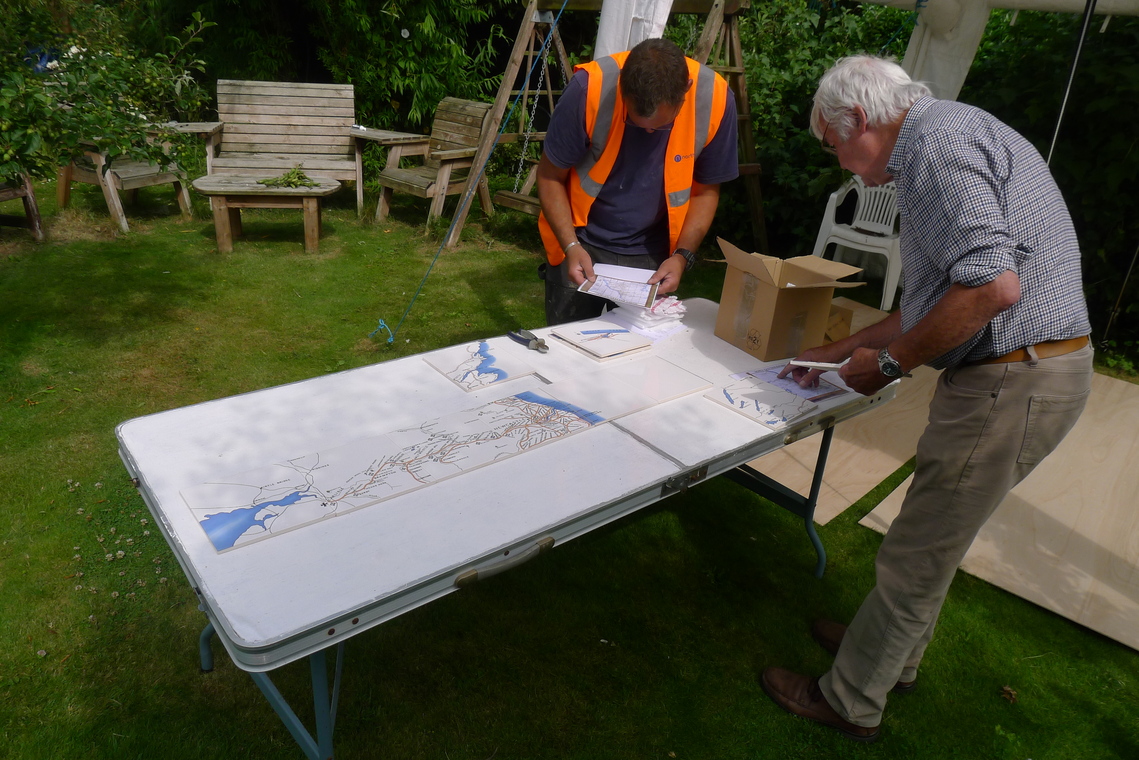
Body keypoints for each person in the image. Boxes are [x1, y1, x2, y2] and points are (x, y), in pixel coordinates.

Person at [762, 55, 1093, 742]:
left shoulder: (934, 148)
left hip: (1013, 379)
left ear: (859, 119)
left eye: (834, 147)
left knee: (916, 551)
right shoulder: (948, 134)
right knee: (932, 535)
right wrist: (831, 351)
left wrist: (885, 365)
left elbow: (990, 289)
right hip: (1025, 373)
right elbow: (941, 299)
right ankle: (889, 659)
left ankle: (850, 699)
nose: (841, 166)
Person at [536, 37, 738, 325]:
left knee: (640, 359)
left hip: (654, 255)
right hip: (580, 245)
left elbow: (706, 190)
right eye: (636, 122)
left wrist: (682, 256)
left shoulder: (715, 97)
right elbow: (548, 176)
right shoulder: (587, 89)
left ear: (686, 91)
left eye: (662, 125)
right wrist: (570, 246)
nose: (650, 132)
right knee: (568, 353)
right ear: (623, 90)